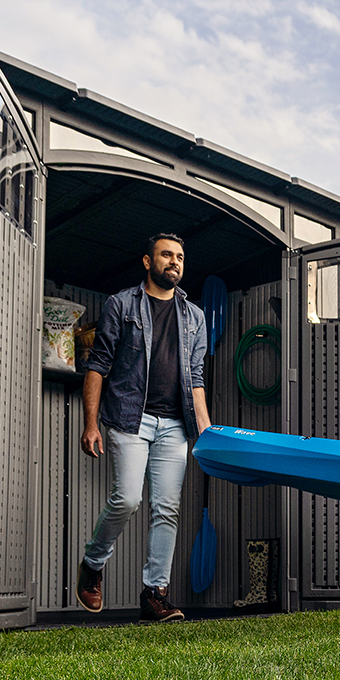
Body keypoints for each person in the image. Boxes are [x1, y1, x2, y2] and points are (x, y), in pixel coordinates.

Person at [77, 233, 212, 621]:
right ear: (148, 262)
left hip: (174, 425)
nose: (175, 262)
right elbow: (98, 365)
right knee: (128, 498)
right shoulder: (123, 305)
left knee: (166, 509)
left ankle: (155, 593)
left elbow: (197, 377)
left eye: (180, 257)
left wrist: (204, 430)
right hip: (129, 417)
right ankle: (93, 563)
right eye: (166, 255)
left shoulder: (195, 317)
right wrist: (91, 424)